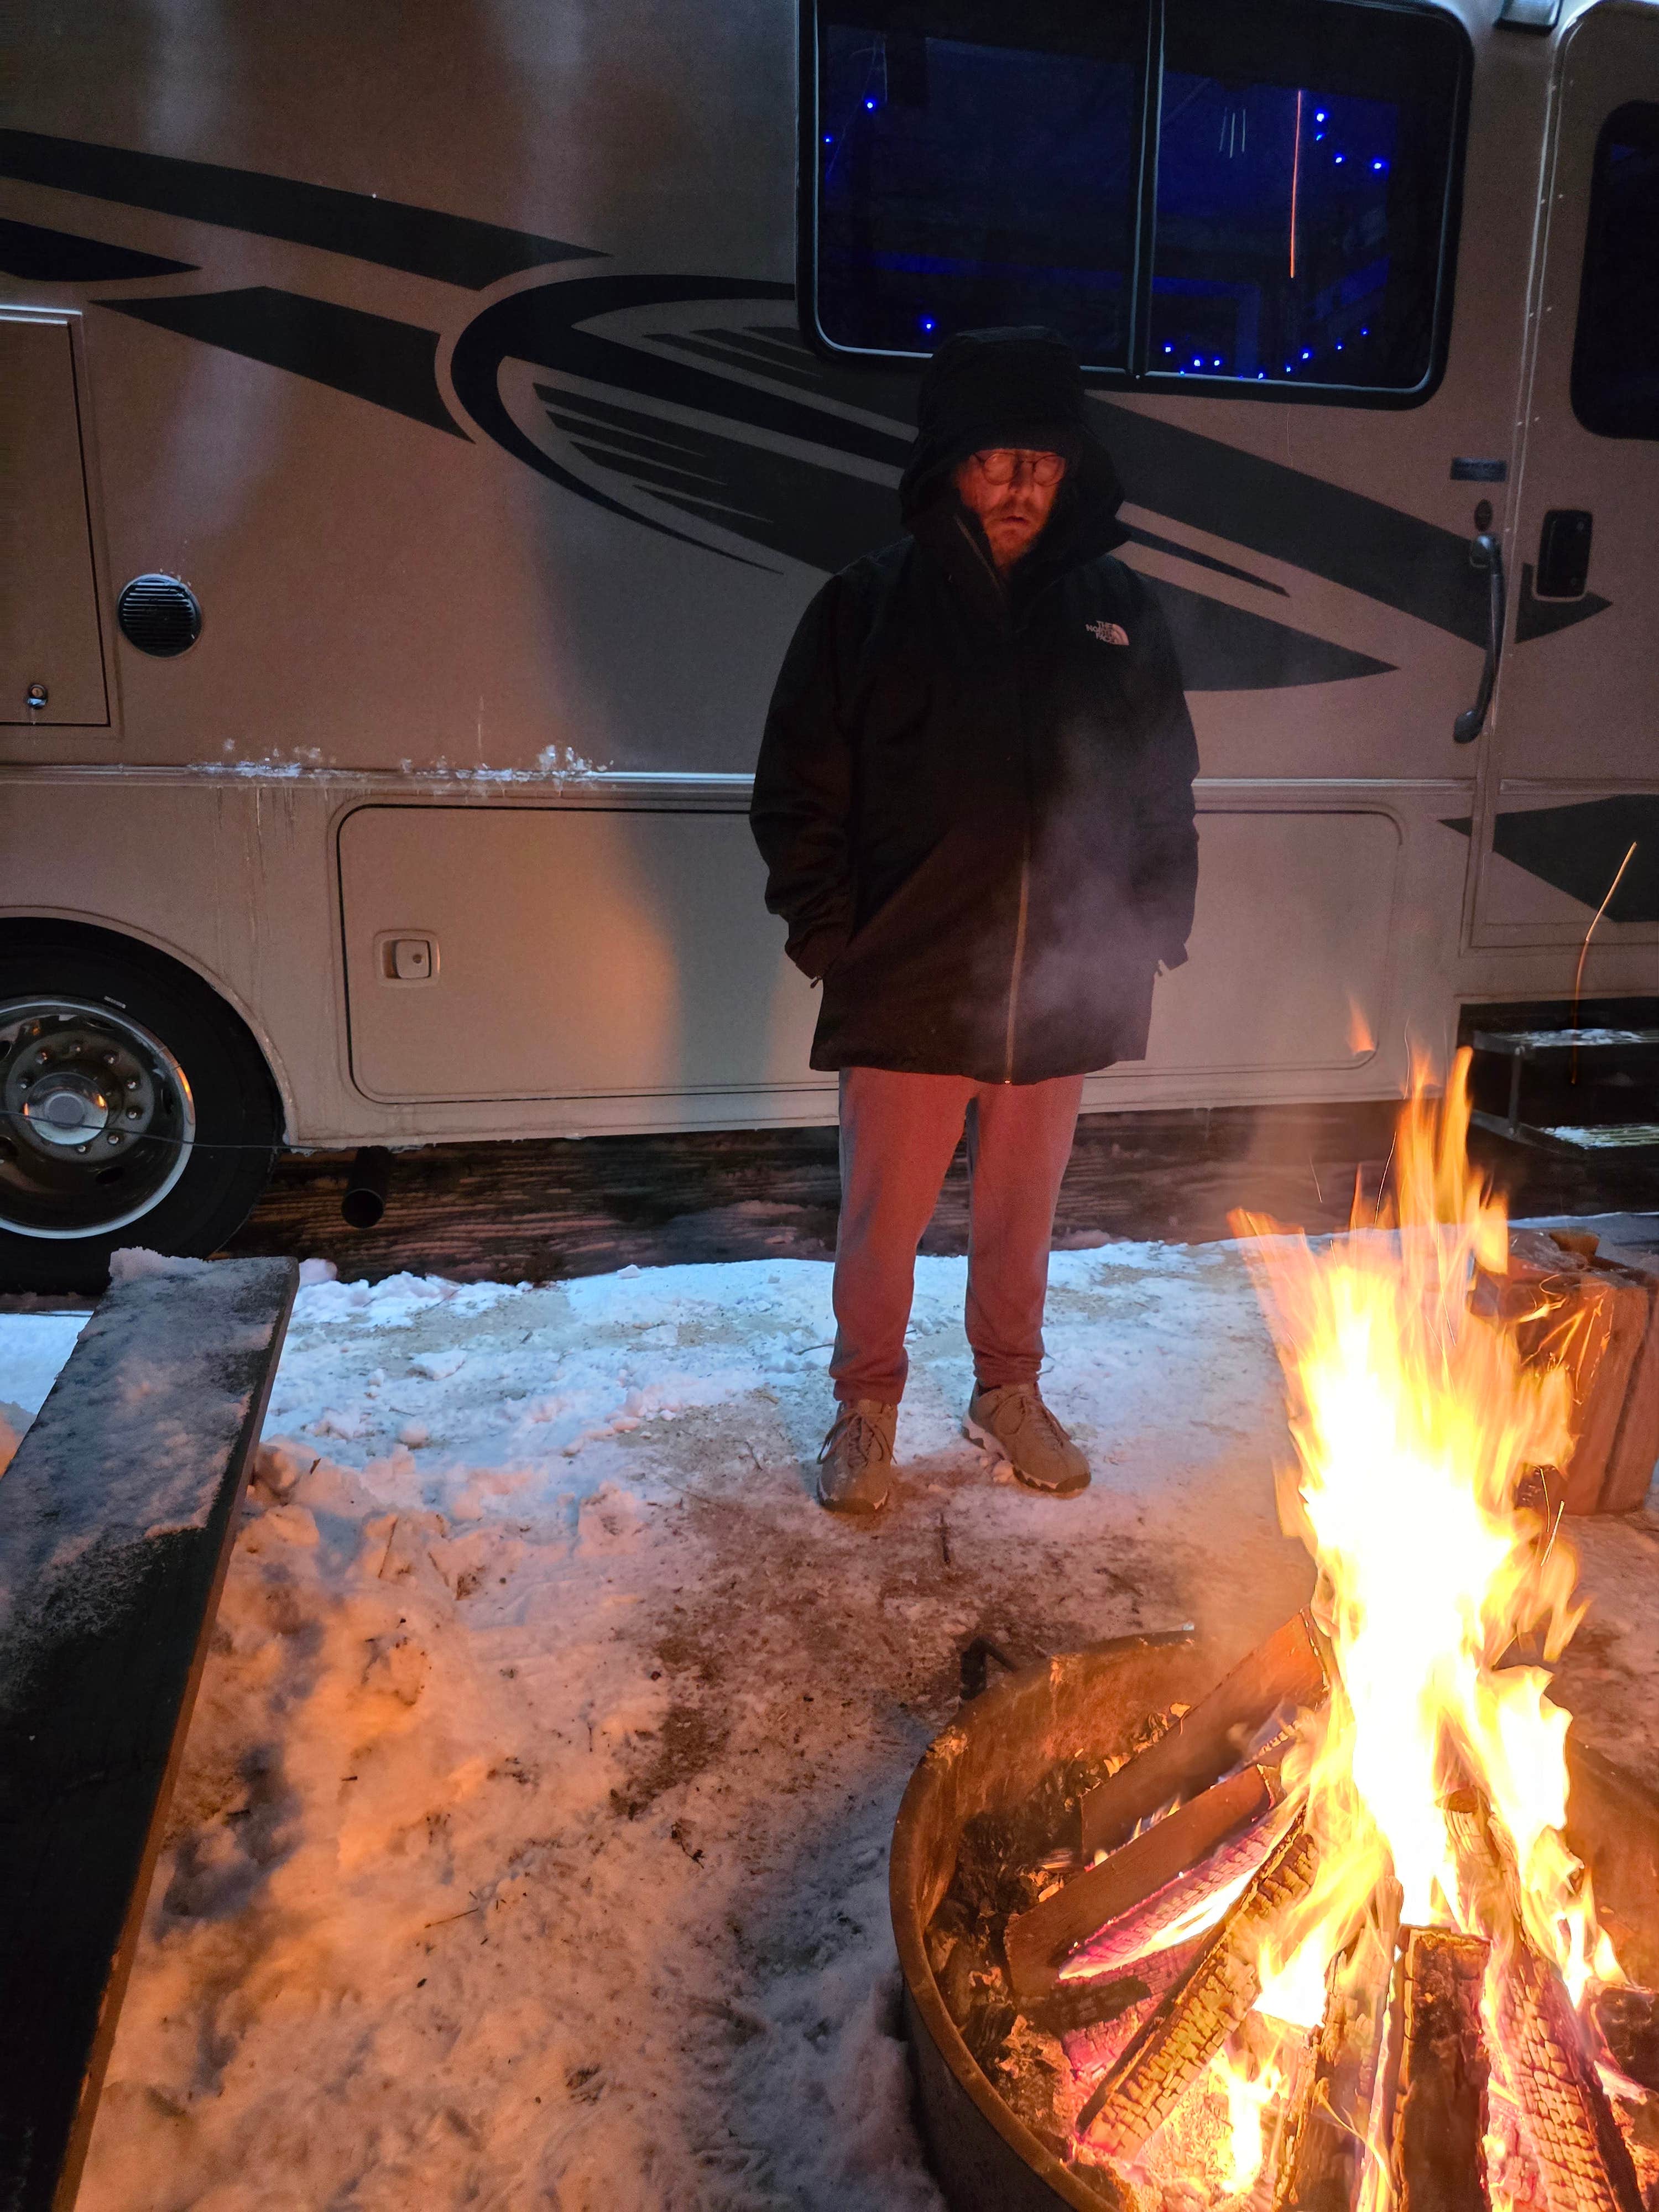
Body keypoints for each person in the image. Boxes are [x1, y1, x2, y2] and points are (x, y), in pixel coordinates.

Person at [751, 326, 1198, 1516]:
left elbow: (1161, 777)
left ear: (1073, 470)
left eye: (1041, 464)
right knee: (881, 1219)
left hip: (1063, 983)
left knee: (1023, 1213)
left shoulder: (1114, 612)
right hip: (910, 979)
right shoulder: (867, 609)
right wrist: (833, 938)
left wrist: (1156, 911)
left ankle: (1008, 1389)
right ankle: (867, 1403)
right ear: (949, 462)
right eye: (995, 461)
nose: (1018, 487)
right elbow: (800, 791)